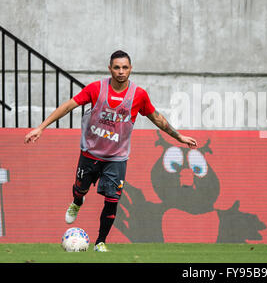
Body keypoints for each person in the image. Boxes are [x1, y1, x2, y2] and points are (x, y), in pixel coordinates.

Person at [24, 50, 197, 252]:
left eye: (125, 67)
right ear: (110, 69)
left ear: (131, 69)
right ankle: (77, 201)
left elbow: (158, 118)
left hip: (117, 157)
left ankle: (100, 242)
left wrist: (179, 137)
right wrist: (41, 127)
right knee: (80, 188)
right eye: (117, 67)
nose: (121, 72)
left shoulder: (138, 95)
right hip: (90, 153)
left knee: (112, 199)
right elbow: (68, 106)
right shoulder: (96, 89)